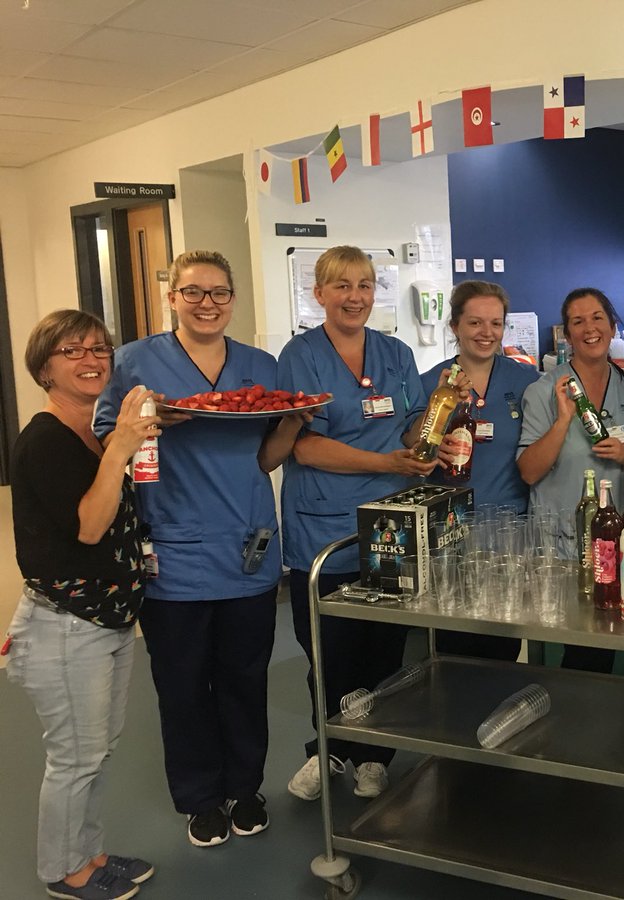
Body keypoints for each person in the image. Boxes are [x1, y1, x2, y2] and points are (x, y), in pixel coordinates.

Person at [94, 250, 305, 849]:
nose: (206, 303)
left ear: (232, 299)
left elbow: (264, 456)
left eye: (218, 292)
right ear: (172, 297)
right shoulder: (135, 361)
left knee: (245, 678)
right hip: (174, 546)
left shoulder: (259, 366)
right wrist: (149, 425)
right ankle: (200, 797)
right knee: (183, 684)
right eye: (193, 292)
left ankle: (245, 788)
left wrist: (294, 421)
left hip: (249, 543)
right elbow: (108, 438)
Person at [277, 246, 443, 803]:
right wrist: (387, 463)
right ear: (318, 293)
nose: (355, 296)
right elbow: (304, 447)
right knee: (328, 652)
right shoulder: (300, 356)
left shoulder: (394, 352)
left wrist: (439, 415)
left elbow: (409, 423)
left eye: (365, 285)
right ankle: (328, 750)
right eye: (341, 285)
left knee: (383, 653)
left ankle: (374, 756)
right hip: (322, 527)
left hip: (389, 525)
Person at [6, 311, 157, 900]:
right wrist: (120, 448)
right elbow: (91, 527)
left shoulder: (86, 430)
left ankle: (88, 856)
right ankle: (63, 872)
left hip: (107, 619)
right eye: (74, 351)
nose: (92, 359)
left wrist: (117, 442)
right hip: (66, 627)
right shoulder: (45, 440)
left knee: (97, 750)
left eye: (100, 348)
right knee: (75, 757)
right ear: (45, 367)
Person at [518, 287, 624, 672]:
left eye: (598, 318)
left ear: (613, 325)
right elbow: (529, 470)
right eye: (578, 321)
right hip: (561, 548)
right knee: (572, 648)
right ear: (567, 335)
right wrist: (563, 420)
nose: (590, 328)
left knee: (607, 643)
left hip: (615, 543)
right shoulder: (543, 391)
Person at [422, 279, 539, 661]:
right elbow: (415, 456)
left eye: (495, 323)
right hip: (450, 534)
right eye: (474, 323)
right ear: (455, 326)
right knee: (454, 645)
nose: (486, 333)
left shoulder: (526, 381)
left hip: (508, 532)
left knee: (503, 643)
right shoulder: (432, 384)